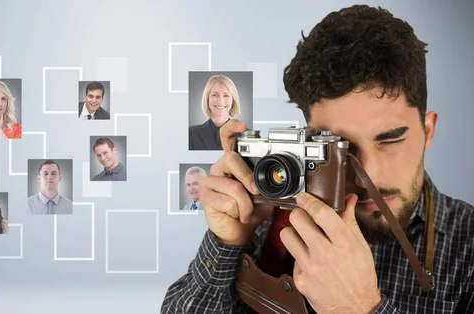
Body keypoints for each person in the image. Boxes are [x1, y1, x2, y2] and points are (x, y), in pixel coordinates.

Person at [162, 5, 474, 314]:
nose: (370, 175)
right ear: (309, 138)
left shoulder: (468, 246)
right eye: (341, 148)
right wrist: (227, 243)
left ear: (428, 131)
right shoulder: (274, 216)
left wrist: (361, 309)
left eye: (390, 141)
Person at [188, 74, 241, 150]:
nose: (220, 101)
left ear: (233, 100)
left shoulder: (244, 135)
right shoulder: (191, 134)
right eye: (215, 95)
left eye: (226, 95)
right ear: (207, 99)